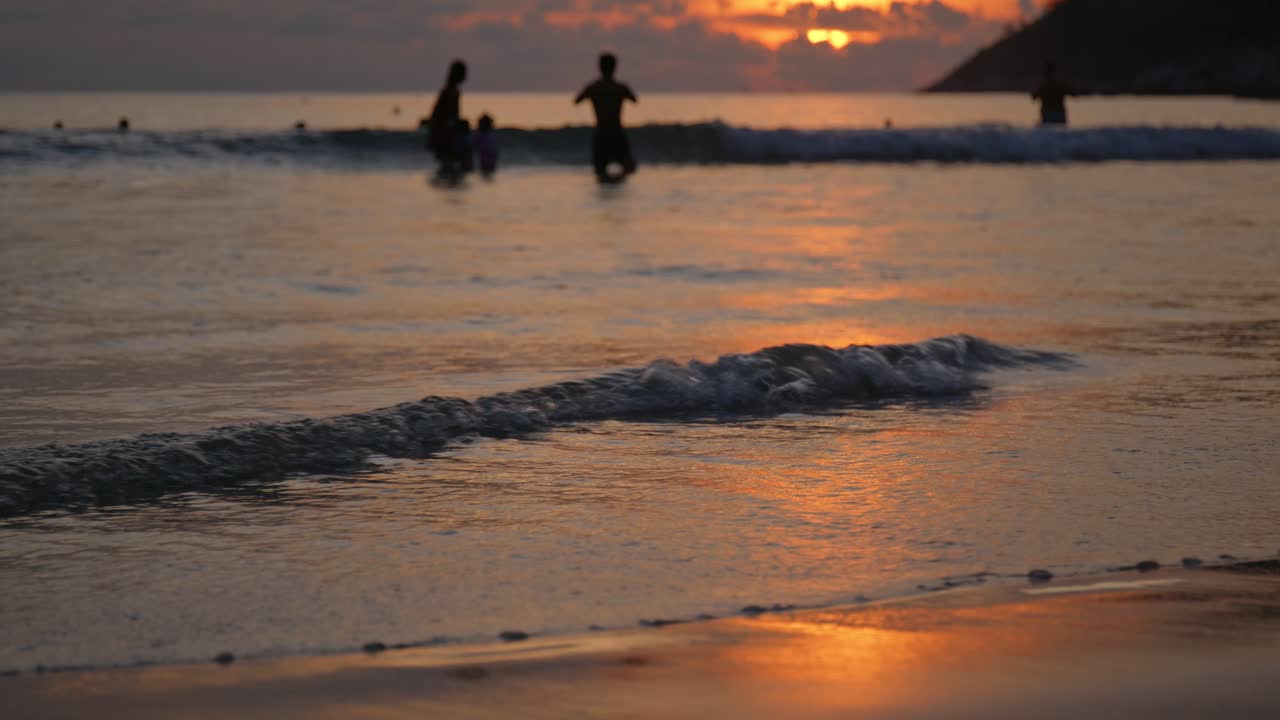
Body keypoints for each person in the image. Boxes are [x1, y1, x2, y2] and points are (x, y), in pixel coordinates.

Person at [574, 52, 638, 181]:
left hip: (601, 134)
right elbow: (634, 99)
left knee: (600, 172)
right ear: (615, 67)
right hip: (617, 133)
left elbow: (577, 101)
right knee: (627, 170)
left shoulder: (593, 87)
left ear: (599, 67)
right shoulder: (620, 88)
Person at [428, 60, 467, 176]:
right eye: (464, 73)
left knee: (448, 166)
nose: (466, 76)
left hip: (443, 134)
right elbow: (446, 116)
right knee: (449, 165)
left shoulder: (450, 90)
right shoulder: (451, 91)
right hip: (444, 135)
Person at [1032, 62, 1073, 126]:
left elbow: (1033, 97)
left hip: (1048, 115)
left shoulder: (1043, 85)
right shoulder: (1061, 84)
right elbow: (1073, 93)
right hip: (1059, 115)